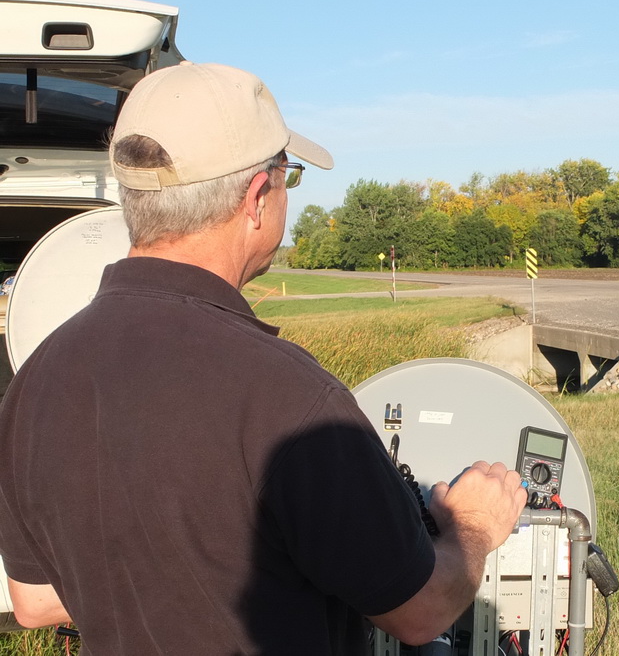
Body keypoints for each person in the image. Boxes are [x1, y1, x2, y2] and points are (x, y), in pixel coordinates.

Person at [0, 61, 527, 654]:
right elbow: (421, 611)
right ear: (257, 197)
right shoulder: (291, 399)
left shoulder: (36, 382)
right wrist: (475, 525)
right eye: (289, 178)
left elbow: (34, 600)